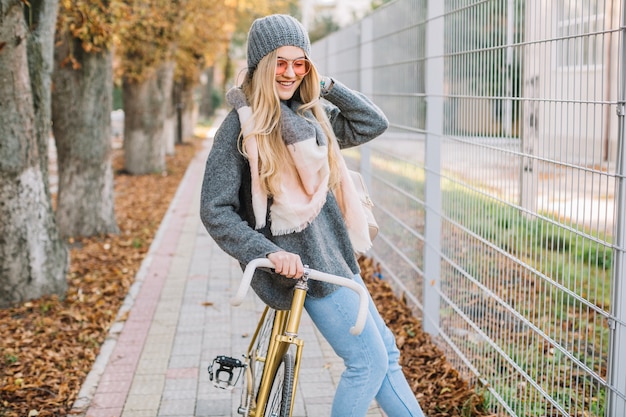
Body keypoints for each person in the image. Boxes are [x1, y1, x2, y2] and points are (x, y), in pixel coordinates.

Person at [200, 13, 425, 417]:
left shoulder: (309, 117)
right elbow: (215, 210)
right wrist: (265, 252)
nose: (290, 73)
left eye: (299, 62)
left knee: (386, 356)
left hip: (337, 257)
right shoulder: (241, 127)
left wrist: (327, 88)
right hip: (304, 269)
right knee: (367, 363)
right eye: (280, 63)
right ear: (260, 65)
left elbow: (372, 123)